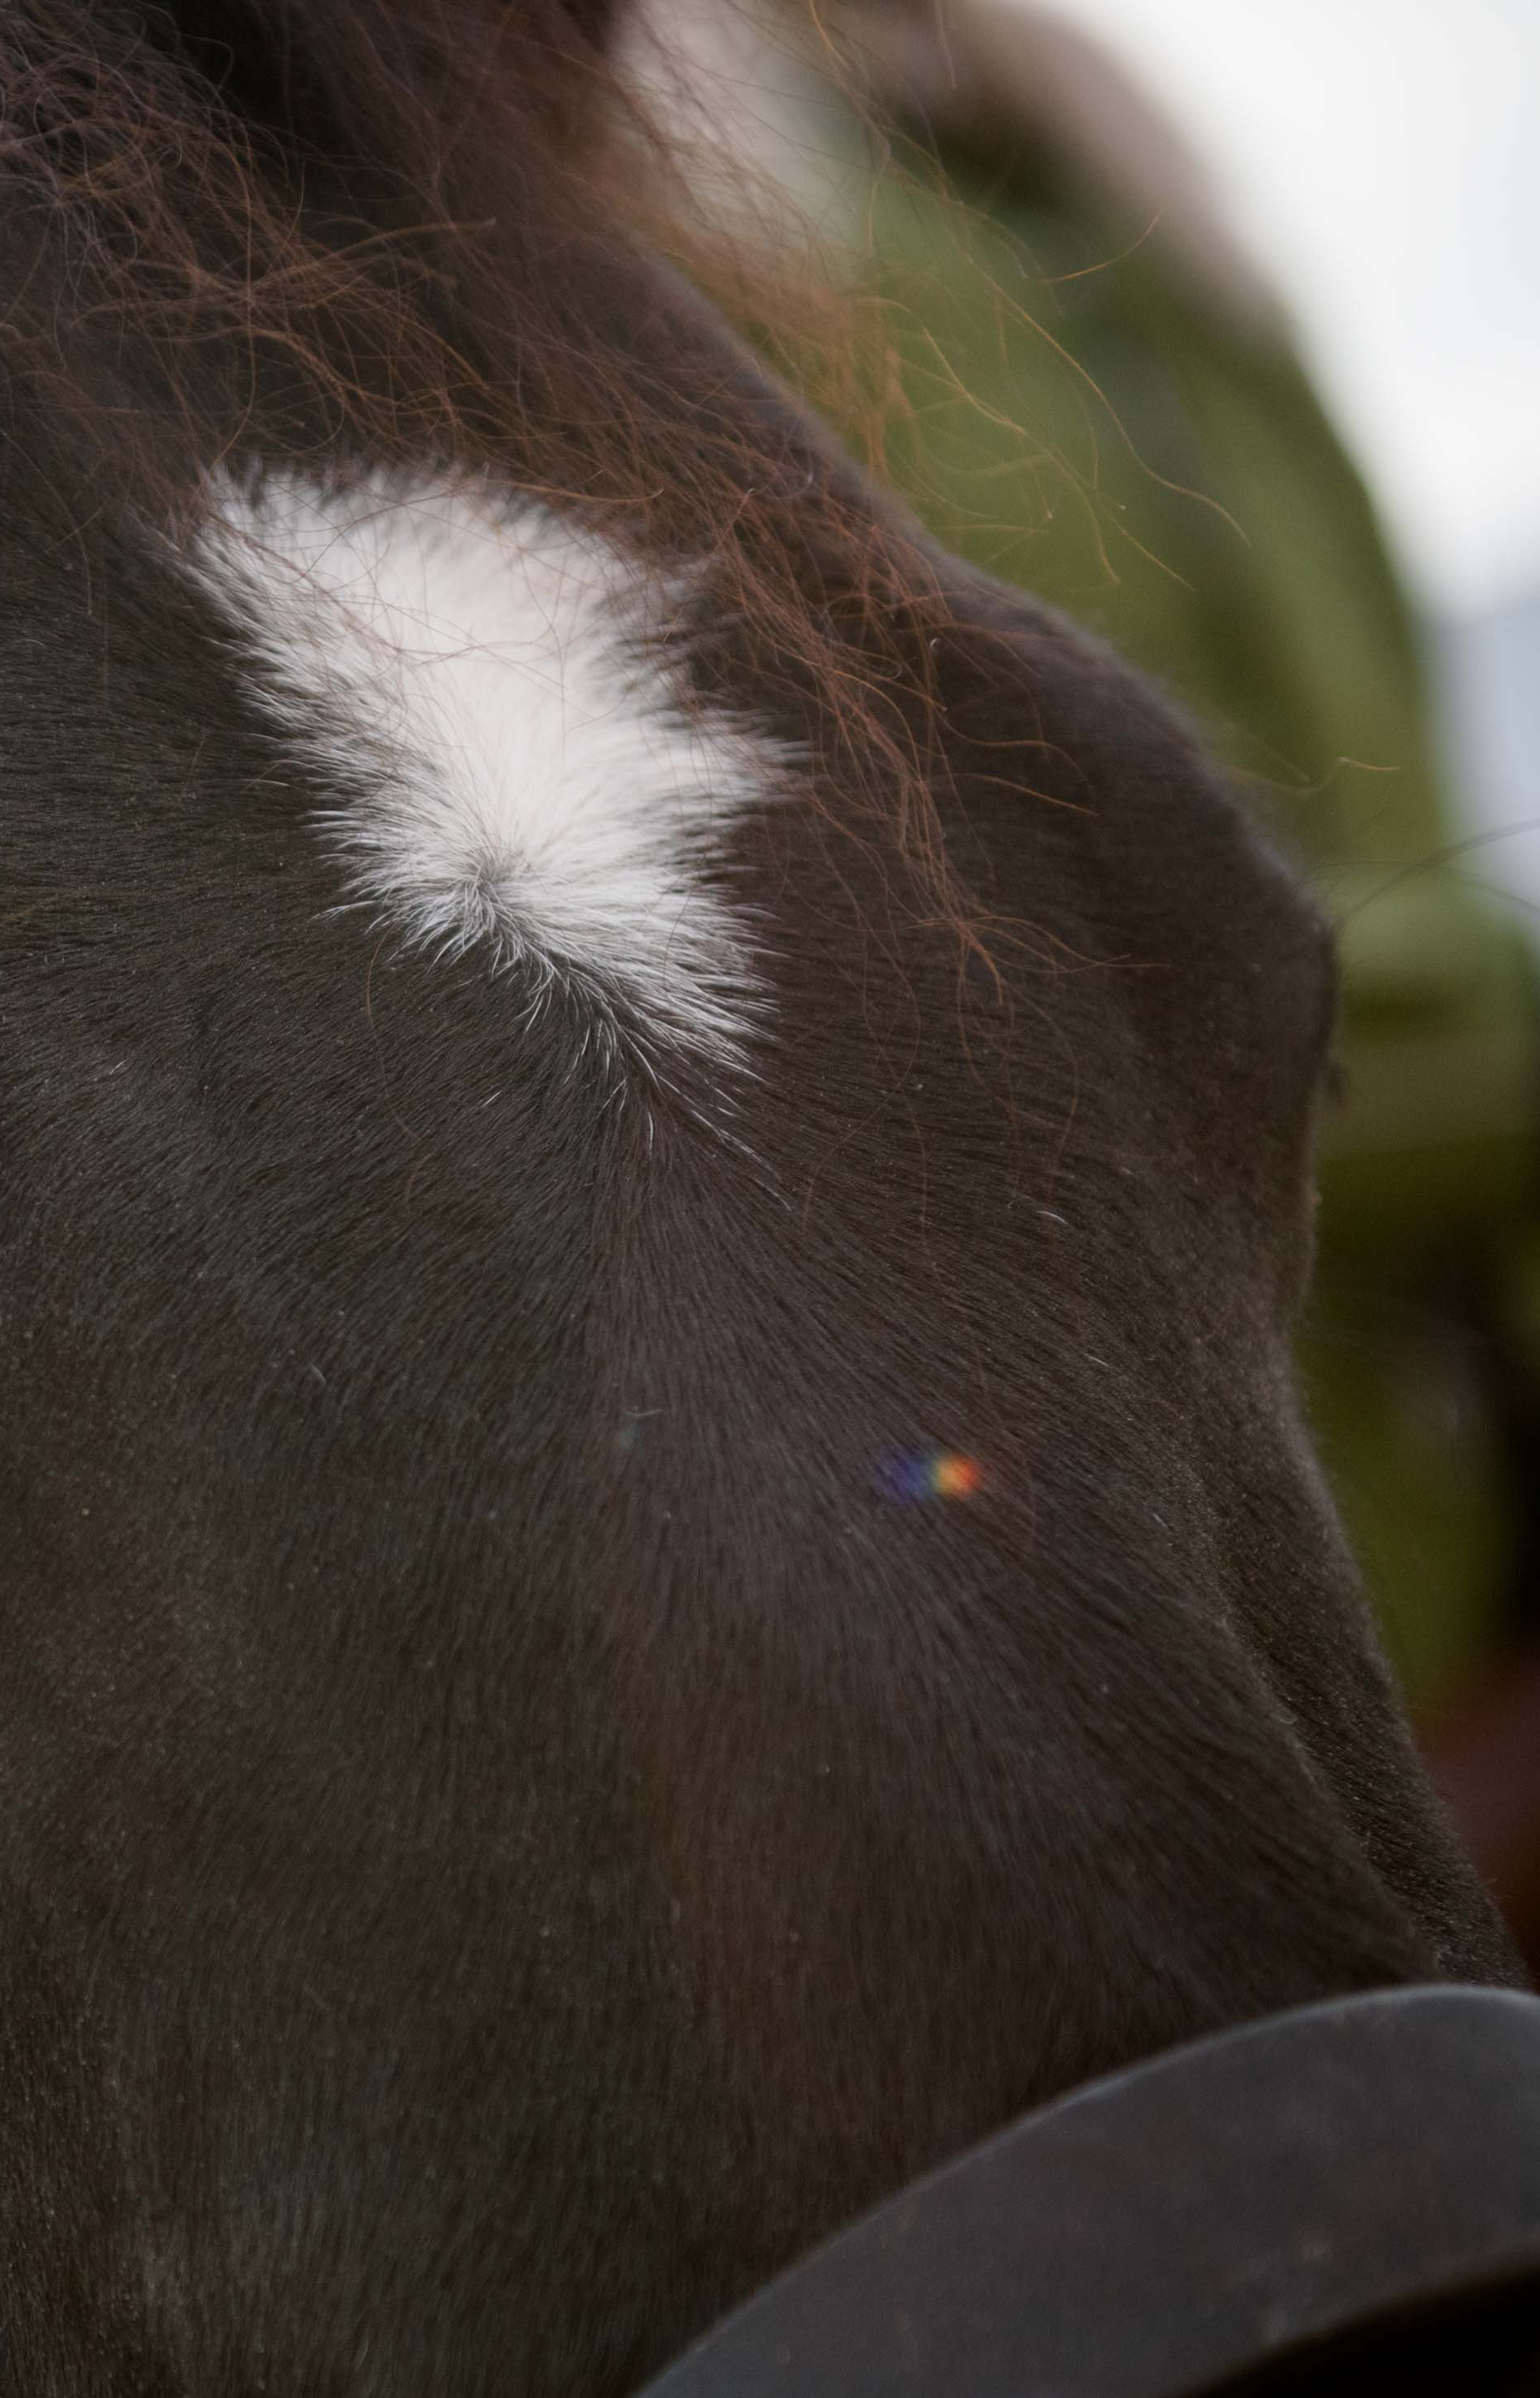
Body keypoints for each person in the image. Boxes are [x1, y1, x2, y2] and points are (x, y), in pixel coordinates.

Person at [656, 0, 1540, 1908]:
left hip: (1460, 1447)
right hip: (1146, 1605)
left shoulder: (1118, 183)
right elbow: (882, 1025)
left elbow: (1398, 818)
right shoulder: (662, 213)